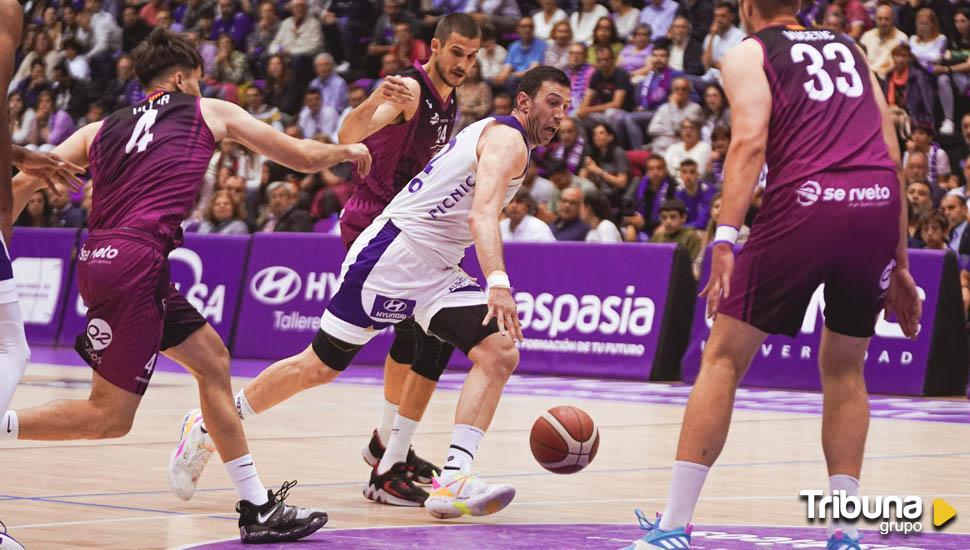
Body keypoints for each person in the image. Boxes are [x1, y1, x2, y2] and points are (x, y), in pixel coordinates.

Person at [6, 28, 372, 544]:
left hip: (103, 258)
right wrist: (348, 149)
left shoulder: (99, 128)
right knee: (109, 417)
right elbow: (300, 156)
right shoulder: (210, 111)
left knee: (212, 361)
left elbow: (20, 184)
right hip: (135, 262)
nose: (202, 89)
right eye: (199, 80)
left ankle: (257, 506)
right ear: (181, 78)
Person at [197, 65, 570, 522]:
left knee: (499, 351)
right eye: (553, 102)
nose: (560, 115)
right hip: (393, 254)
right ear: (524, 102)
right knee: (318, 367)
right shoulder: (507, 139)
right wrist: (498, 283)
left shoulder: (504, 139)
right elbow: (482, 214)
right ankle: (211, 422)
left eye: (566, 107)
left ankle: (453, 478)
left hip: (435, 267)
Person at [622, 0, 920, 547]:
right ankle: (845, 532)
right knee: (846, 371)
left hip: (806, 202)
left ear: (746, 6)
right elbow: (892, 150)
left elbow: (750, 142)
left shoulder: (750, 52)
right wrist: (901, 262)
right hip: (877, 201)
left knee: (723, 358)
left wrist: (725, 237)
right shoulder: (851, 49)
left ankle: (671, 528)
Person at [171, 14, 483, 509]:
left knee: (422, 340)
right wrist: (376, 100)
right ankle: (218, 420)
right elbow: (350, 129)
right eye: (457, 53)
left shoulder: (450, 100)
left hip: (411, 237)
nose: (464, 64)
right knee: (333, 361)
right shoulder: (410, 89)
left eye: (473, 56)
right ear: (437, 46)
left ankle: (387, 449)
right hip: (377, 232)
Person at [859, 3, 907, 79]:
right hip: (869, 77)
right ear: (875, 19)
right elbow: (860, 60)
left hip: (890, 78)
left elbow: (901, 64)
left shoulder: (901, 38)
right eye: (880, 19)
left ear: (893, 19)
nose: (883, 22)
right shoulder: (866, 36)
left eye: (886, 19)